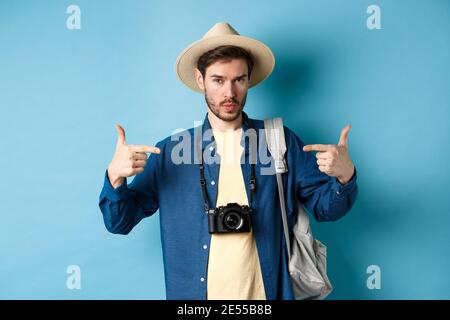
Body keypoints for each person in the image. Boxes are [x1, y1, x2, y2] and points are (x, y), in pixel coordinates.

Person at [98, 22, 358, 300]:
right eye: (218, 80)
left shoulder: (279, 141)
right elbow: (119, 223)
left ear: (249, 79)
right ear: (201, 80)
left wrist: (345, 177)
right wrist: (116, 178)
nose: (230, 93)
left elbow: (326, 209)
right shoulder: (171, 152)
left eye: (239, 80)